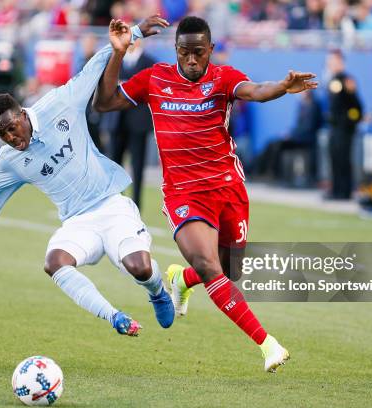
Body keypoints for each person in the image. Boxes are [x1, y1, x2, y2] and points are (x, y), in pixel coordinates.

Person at [93, 16, 318, 372]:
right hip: (183, 193)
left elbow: (256, 91)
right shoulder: (155, 79)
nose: (192, 60)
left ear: (210, 50)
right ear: (176, 51)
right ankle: (267, 344)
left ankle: (183, 279)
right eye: (185, 53)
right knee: (210, 265)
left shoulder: (223, 77)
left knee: (230, 270)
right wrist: (118, 53)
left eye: (199, 52)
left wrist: (281, 87)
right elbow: (104, 103)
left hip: (227, 187)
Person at [0, 17, 174, 337]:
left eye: (10, 127)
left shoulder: (60, 104)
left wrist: (134, 34)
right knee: (55, 261)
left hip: (112, 208)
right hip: (78, 222)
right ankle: (115, 318)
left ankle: (157, 291)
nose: (8, 136)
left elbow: (91, 72)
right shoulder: (10, 160)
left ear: (21, 114)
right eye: (0, 133)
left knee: (140, 268)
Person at [106, 39, 155, 209]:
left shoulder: (149, 62)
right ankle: (117, 204)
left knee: (138, 166)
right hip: (117, 120)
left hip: (138, 122)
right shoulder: (117, 60)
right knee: (115, 164)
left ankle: (136, 205)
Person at [325, 49, 363, 200]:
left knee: (343, 159)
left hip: (344, 128)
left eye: (334, 61)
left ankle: (344, 191)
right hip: (334, 126)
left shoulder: (347, 80)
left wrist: (349, 121)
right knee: (334, 158)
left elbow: (356, 106)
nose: (331, 64)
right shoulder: (333, 79)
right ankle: (336, 190)